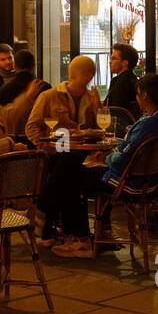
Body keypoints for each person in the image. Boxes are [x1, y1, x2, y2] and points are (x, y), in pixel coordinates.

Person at [54, 73, 158, 258]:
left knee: (70, 176)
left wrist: (105, 159)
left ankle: (81, 240)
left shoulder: (149, 124)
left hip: (130, 182)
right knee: (77, 169)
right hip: (153, 180)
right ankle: (103, 230)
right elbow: (131, 149)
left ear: (144, 95)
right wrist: (108, 155)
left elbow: (123, 158)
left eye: (137, 94)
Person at [26, 55, 104, 242]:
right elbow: (31, 127)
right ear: (80, 74)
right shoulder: (50, 96)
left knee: (71, 168)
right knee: (69, 165)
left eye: (91, 73)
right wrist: (43, 145)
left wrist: (98, 107)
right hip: (53, 153)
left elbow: (103, 130)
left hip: (80, 154)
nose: (90, 77)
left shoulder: (90, 97)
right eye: (88, 73)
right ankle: (78, 231)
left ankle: (44, 213)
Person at [104, 43, 140, 111]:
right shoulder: (133, 79)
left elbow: (114, 113)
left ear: (125, 63)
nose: (110, 62)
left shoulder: (122, 83)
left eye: (113, 58)